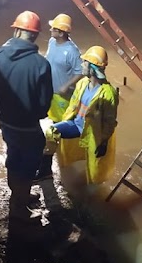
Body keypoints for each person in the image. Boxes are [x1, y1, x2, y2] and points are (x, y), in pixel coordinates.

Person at [0, 10, 53, 218]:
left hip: (5, 121)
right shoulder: (41, 65)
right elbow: (43, 107)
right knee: (29, 165)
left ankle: (18, 196)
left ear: (16, 30)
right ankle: (20, 208)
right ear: (36, 35)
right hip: (28, 126)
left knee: (13, 156)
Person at [47, 45, 118, 185]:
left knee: (93, 167)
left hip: (93, 134)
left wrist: (103, 143)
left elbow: (109, 122)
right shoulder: (82, 83)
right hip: (76, 125)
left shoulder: (108, 93)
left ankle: (92, 193)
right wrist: (65, 120)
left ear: (93, 68)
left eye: (85, 62)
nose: (82, 65)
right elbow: (73, 106)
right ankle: (46, 171)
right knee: (50, 131)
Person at [34, 13, 83, 181]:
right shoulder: (51, 42)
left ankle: (48, 166)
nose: (50, 30)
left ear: (62, 33)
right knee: (51, 123)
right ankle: (53, 154)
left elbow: (80, 72)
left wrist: (66, 85)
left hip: (63, 97)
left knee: (57, 128)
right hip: (50, 92)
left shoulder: (72, 51)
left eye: (53, 28)